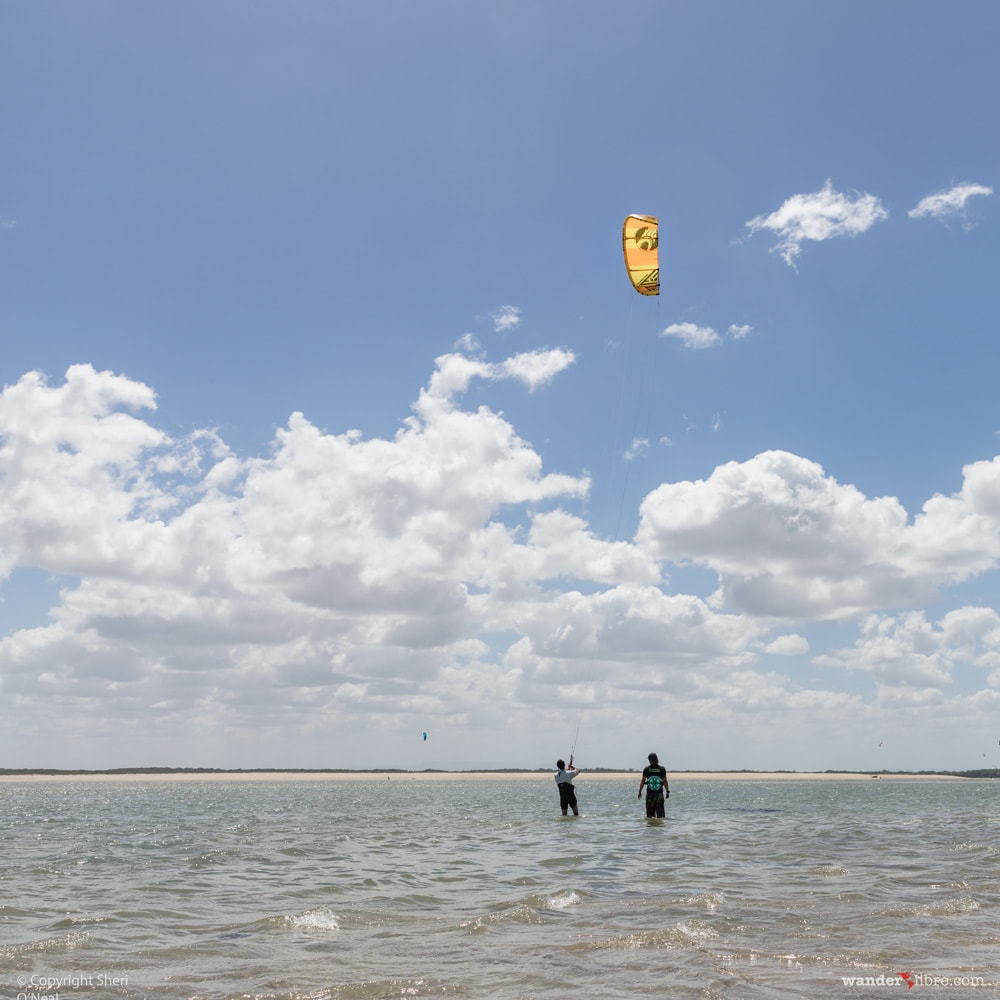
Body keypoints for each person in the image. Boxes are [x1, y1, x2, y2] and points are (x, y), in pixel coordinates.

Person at [637, 752, 669, 818]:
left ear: (650, 760)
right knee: (661, 816)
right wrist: (667, 791)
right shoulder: (662, 769)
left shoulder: (647, 769)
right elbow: (665, 781)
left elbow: (643, 781)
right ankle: (660, 827)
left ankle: (651, 827)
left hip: (650, 795)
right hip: (659, 795)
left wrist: (639, 791)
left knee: (650, 816)